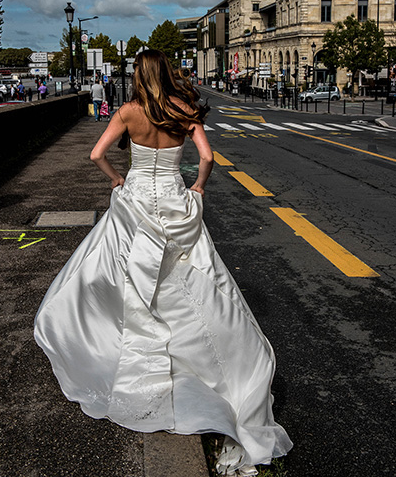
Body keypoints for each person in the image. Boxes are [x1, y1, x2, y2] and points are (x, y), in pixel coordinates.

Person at [34, 48, 292, 476]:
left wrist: (118, 180)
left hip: (136, 201)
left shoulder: (130, 111)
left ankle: (119, 342)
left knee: (117, 274)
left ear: (138, 74)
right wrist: (198, 189)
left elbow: (96, 154)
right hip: (175, 199)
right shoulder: (184, 108)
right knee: (191, 279)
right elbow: (207, 158)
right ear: (167, 73)